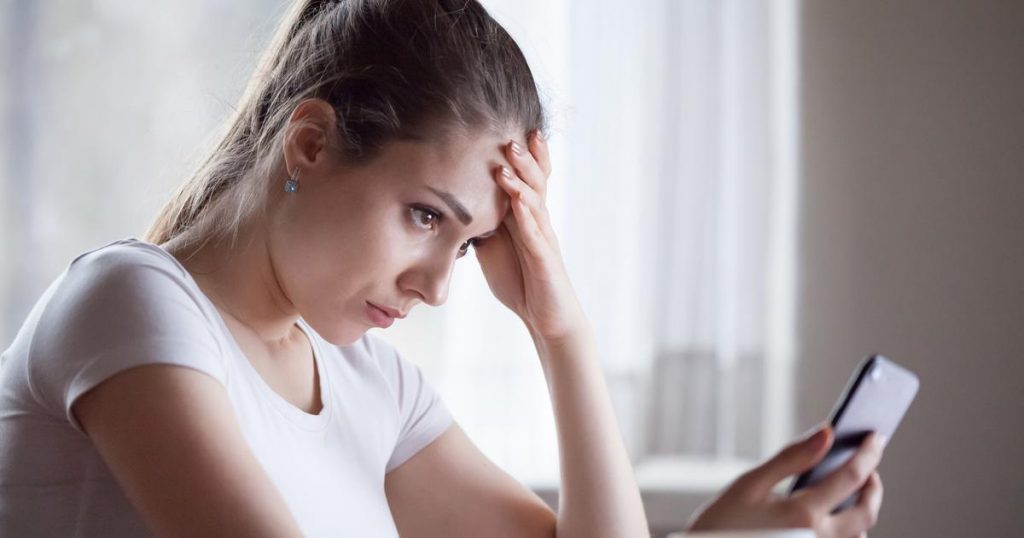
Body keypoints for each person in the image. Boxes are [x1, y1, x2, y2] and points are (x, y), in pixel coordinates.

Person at [0, 1, 885, 536]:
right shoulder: (134, 302)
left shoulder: (370, 384)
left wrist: (559, 330)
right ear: (309, 143)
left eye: (466, 244)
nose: (436, 287)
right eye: (426, 216)